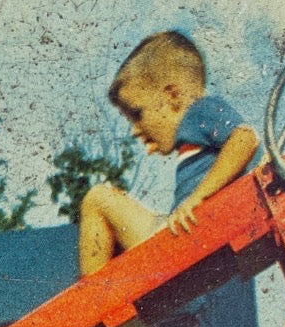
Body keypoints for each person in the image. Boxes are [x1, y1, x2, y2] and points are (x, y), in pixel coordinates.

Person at [77, 31, 260, 276]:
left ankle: (92, 302)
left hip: (178, 234)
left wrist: (199, 197)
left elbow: (245, 139)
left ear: (173, 96)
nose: (134, 130)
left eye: (137, 114)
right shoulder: (195, 132)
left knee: (97, 198)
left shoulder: (200, 110)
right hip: (182, 229)